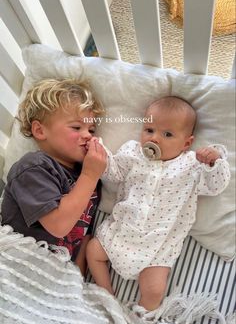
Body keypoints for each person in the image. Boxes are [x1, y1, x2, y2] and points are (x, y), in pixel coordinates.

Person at [86, 96, 231, 311]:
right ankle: (106, 292)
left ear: (187, 143)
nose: (155, 138)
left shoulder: (191, 165)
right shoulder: (133, 153)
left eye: (167, 134)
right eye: (149, 129)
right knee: (93, 250)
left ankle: (139, 318)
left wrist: (213, 162)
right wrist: (100, 152)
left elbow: (216, 186)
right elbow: (113, 172)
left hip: (157, 247)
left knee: (154, 291)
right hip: (121, 232)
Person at [1, 78, 107, 275]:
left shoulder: (89, 179)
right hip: (20, 262)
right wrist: (90, 175)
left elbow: (83, 236)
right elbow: (58, 225)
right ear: (40, 130)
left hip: (58, 272)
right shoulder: (33, 167)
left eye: (91, 130)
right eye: (77, 127)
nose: (88, 135)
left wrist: (78, 282)